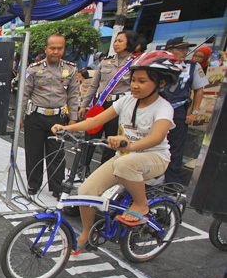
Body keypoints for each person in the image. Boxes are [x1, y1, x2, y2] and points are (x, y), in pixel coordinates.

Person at [51, 50, 182, 251]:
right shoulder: (126, 100)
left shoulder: (163, 107)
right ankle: (87, 231)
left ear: (161, 84)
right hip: (125, 158)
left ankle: (141, 204)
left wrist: (130, 146)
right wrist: (67, 128)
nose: (135, 85)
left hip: (155, 158)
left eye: (143, 81)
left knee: (123, 162)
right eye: (133, 80)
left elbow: (157, 136)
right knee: (86, 192)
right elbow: (96, 120)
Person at [23, 33, 80, 198]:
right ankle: (33, 184)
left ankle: (57, 186)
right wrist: (20, 117)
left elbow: (74, 95)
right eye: (53, 48)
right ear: (46, 49)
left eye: (60, 48)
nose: (56, 51)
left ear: (64, 49)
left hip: (58, 118)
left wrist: (74, 118)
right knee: (34, 153)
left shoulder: (70, 69)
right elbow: (24, 95)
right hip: (35, 116)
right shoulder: (34, 69)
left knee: (56, 153)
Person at [78, 30, 138, 178]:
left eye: (120, 41)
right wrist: (84, 105)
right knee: (90, 137)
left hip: (119, 107)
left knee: (112, 140)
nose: (116, 44)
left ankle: (104, 171)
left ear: (130, 43)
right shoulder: (105, 62)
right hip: (100, 105)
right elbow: (93, 85)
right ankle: (82, 168)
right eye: (115, 41)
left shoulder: (135, 64)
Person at [163, 36, 208, 184]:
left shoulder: (192, 67)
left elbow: (199, 90)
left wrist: (194, 112)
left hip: (178, 110)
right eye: (180, 49)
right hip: (158, 108)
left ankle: (171, 181)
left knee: (175, 146)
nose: (184, 52)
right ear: (169, 50)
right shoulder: (159, 64)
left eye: (186, 49)